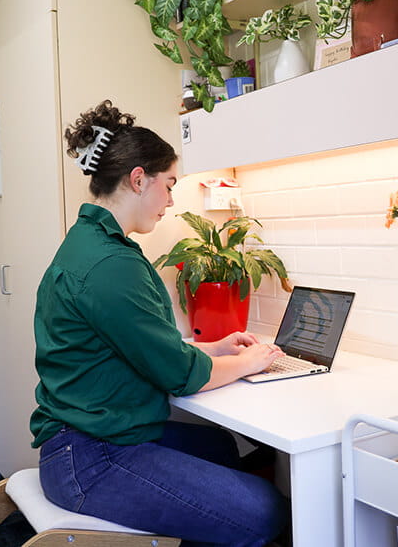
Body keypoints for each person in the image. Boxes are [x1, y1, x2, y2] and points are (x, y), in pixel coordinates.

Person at [30, 100, 289, 546]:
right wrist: (253, 363)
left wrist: (217, 348)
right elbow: (179, 375)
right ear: (137, 179)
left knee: (223, 448)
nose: (171, 201)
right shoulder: (110, 263)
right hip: (91, 459)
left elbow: (136, 346)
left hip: (90, 438)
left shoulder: (91, 243)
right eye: (168, 185)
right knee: (264, 511)